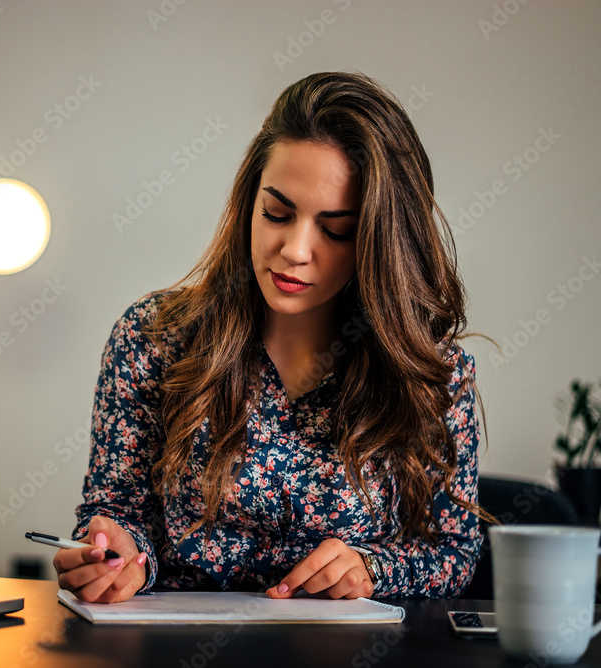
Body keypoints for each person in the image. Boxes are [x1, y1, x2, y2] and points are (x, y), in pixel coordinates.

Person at [53, 71, 490, 603]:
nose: (295, 249)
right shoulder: (154, 339)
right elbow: (119, 512)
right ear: (248, 203)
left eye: (335, 230)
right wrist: (112, 554)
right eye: (277, 213)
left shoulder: (433, 373)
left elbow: (453, 554)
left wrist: (372, 569)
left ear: (379, 240)